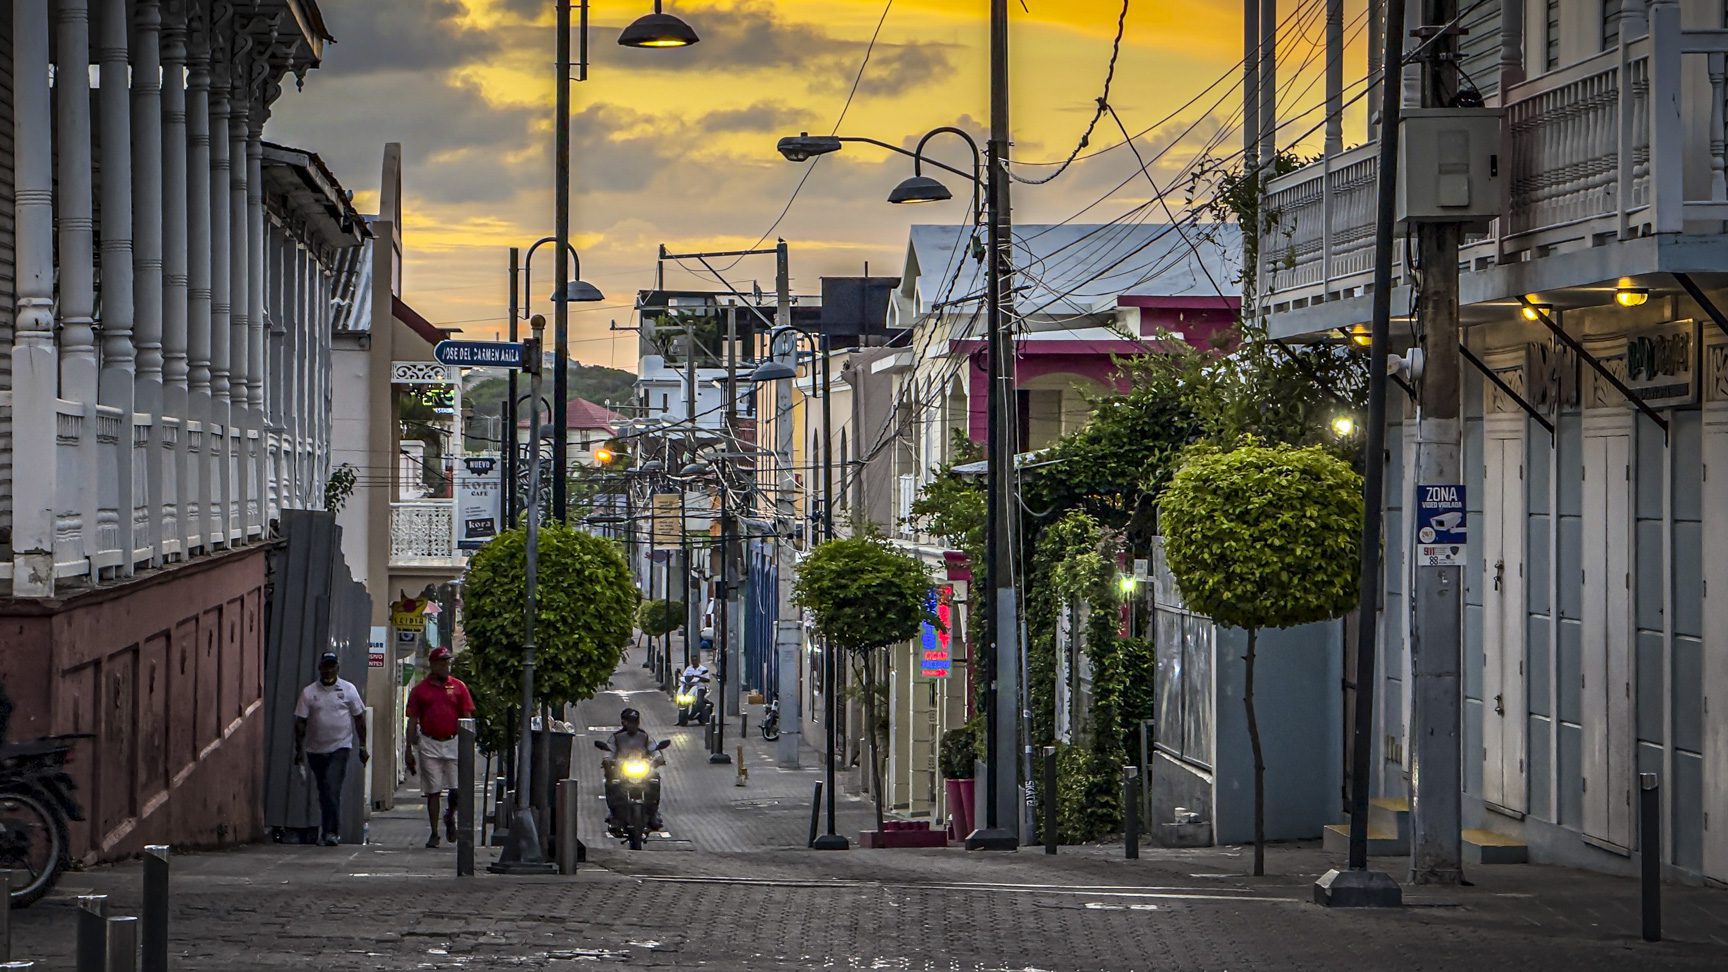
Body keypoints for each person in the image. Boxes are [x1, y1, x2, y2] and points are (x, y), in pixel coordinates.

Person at [292, 652, 368, 846]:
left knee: (331, 787)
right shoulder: (309, 693)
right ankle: (327, 828)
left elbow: (359, 719)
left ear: (337, 668)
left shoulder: (348, 690)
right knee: (324, 790)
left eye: (332, 666)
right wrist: (299, 751)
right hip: (315, 750)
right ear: (320, 669)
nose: (328, 670)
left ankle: (331, 833)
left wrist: (362, 745)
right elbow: (300, 723)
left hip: (340, 747)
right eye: (325, 666)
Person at [404, 646, 475, 848]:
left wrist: (468, 743)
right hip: (429, 742)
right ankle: (434, 833)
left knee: (457, 789)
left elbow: (467, 717)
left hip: (453, 741)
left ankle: (450, 815)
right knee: (432, 790)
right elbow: (412, 720)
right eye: (442, 662)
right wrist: (409, 749)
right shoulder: (421, 691)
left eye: (447, 662)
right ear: (433, 665)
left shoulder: (459, 687)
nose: (446, 666)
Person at [604, 708, 664, 831]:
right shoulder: (616, 737)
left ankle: (653, 813)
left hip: (642, 769)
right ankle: (615, 815)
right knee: (611, 783)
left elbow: (654, 749)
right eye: (629, 721)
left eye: (635, 722)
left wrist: (658, 758)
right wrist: (608, 760)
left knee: (655, 780)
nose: (633, 724)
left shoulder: (645, 737)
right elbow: (609, 751)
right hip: (622, 771)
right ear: (623, 722)